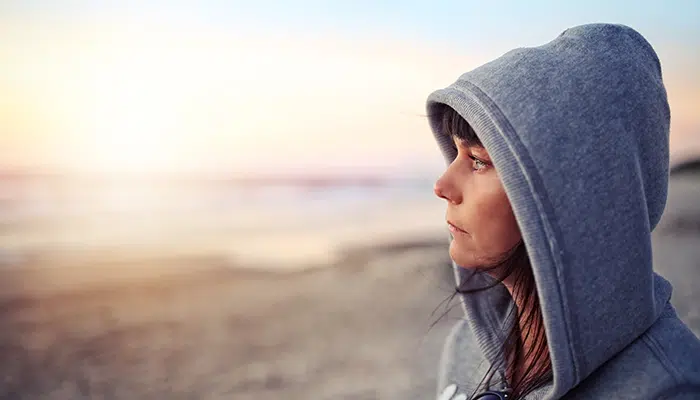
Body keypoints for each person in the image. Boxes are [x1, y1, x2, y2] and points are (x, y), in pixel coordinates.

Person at [426, 23, 700, 400]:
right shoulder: (467, 349)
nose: (442, 186)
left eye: (477, 161)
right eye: (455, 153)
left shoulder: (666, 387)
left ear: (570, 191)